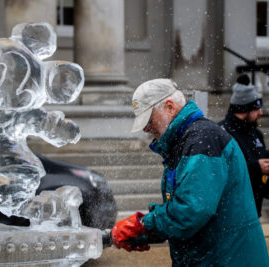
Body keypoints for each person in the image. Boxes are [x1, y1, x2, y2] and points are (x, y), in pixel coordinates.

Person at [111, 78, 269, 266]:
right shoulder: (191, 140)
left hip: (225, 259)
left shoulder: (201, 139)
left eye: (149, 119)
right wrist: (144, 234)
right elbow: (188, 214)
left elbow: (191, 212)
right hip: (217, 255)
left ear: (170, 107)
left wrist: (143, 225)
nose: (146, 128)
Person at [219, 74, 269, 217]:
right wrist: (256, 168)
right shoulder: (222, 133)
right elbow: (221, 170)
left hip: (254, 209)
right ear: (244, 109)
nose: (260, 112)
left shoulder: (255, 133)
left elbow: (260, 156)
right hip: (233, 213)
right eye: (257, 108)